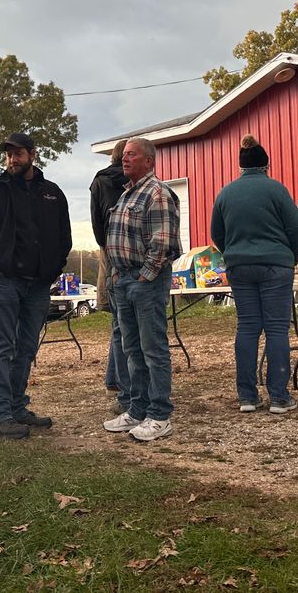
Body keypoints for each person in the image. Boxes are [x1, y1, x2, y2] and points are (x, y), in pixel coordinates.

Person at [0, 132, 71, 440]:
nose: (12, 159)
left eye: (18, 154)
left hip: (38, 286)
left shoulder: (52, 193)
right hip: (5, 283)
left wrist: (53, 270)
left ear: (32, 155)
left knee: (26, 348)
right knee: (2, 346)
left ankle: (16, 407)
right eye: (8, 154)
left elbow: (64, 238)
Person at [210, 135, 298, 414]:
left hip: (239, 266)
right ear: (266, 165)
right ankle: (279, 397)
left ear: (240, 167)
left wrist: (233, 253)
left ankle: (247, 397)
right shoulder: (276, 190)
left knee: (248, 327)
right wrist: (290, 257)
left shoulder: (225, 193)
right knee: (276, 329)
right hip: (276, 264)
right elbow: (296, 228)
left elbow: (217, 233)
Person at [102, 137, 181, 443]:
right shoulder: (127, 194)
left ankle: (159, 415)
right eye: (124, 154)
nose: (124, 159)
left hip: (145, 282)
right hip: (123, 280)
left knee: (153, 350)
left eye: (131, 155)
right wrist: (116, 276)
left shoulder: (158, 193)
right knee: (131, 350)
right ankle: (137, 410)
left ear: (148, 161)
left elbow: (162, 243)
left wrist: (144, 277)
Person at [90, 140, 129, 406]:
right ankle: (124, 384)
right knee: (128, 324)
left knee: (118, 322)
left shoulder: (99, 182)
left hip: (109, 251)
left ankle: (114, 381)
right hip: (133, 255)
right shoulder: (134, 180)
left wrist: (105, 245)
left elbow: (96, 224)